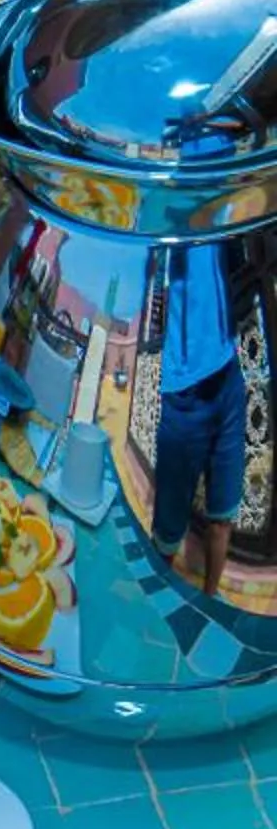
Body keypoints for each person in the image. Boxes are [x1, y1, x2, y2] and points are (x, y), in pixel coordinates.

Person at [144, 247, 248, 596]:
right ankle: (155, 604)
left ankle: (209, 599)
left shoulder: (217, 208)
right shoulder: (170, 231)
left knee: (223, 519)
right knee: (167, 534)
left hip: (229, 380)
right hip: (184, 396)